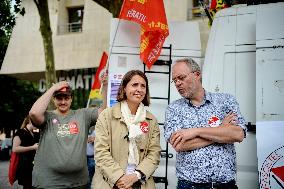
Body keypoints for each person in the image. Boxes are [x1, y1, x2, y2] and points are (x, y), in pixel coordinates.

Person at [164, 58, 247, 189]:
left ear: (197, 75)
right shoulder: (173, 109)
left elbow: (238, 134)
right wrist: (221, 131)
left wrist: (194, 131)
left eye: (181, 78)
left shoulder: (226, 101)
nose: (177, 83)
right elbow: (180, 145)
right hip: (189, 185)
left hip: (225, 185)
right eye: (175, 80)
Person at [29, 75, 107, 189]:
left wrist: (104, 85)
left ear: (71, 99)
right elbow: (34, 113)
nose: (63, 102)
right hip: (49, 183)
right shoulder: (47, 117)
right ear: (53, 99)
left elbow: (104, 112)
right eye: (59, 98)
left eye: (66, 98)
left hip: (78, 183)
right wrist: (53, 89)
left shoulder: (83, 115)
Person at [92, 70, 161, 189]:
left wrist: (135, 176)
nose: (139, 89)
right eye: (134, 85)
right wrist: (120, 178)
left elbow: (154, 154)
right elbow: (101, 152)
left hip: (140, 182)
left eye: (143, 86)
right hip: (111, 183)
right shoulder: (107, 116)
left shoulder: (151, 120)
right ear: (124, 88)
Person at [12, 115, 39, 189]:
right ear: (31, 121)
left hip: (32, 166)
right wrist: (32, 147)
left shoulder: (33, 133)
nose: (39, 125)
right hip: (25, 167)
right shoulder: (20, 132)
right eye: (38, 122)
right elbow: (15, 149)